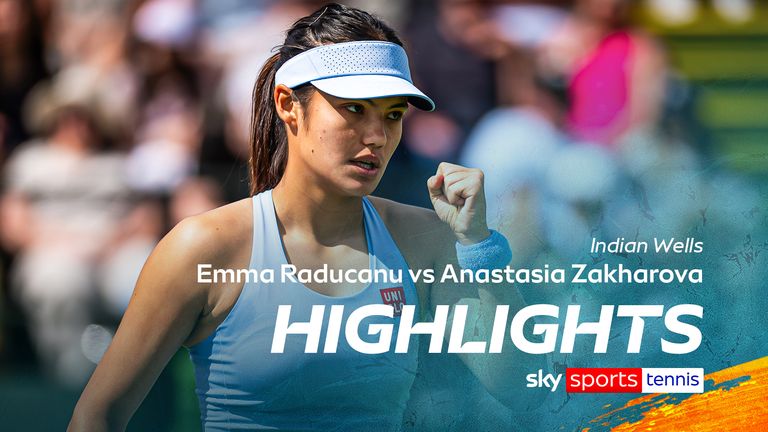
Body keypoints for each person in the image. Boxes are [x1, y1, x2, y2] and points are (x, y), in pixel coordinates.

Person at [68, 4, 541, 431]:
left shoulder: (428, 240)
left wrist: (477, 244)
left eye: (393, 115)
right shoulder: (203, 247)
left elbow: (525, 393)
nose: (377, 135)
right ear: (288, 105)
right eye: (354, 109)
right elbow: (98, 417)